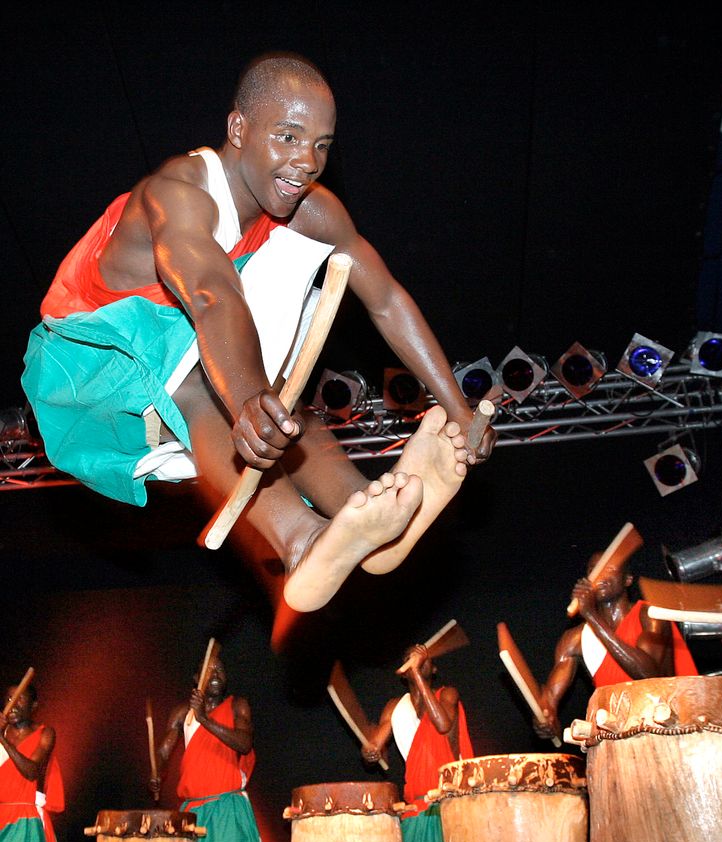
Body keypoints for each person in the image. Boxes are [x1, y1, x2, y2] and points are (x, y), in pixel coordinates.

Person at [22, 52, 493, 615]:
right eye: (289, 137)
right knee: (215, 377)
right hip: (88, 369)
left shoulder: (308, 209)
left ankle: (360, 515)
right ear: (238, 128)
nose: (306, 162)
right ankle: (299, 537)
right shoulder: (177, 194)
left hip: (188, 349)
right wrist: (246, 399)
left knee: (287, 405)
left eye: (321, 145)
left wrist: (457, 408)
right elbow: (210, 295)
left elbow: (386, 299)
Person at [535, 553, 698, 741]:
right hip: (612, 739)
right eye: (594, 570)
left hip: (664, 732)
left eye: (610, 569)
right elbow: (549, 699)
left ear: (627, 579)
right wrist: (546, 718)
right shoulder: (575, 638)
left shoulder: (651, 616)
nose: (601, 576)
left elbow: (649, 675)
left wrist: (592, 616)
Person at [151, 657, 270, 842]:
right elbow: (163, 752)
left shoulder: (238, 705)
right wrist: (157, 775)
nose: (216, 674)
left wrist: (203, 718)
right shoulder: (182, 712)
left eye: (221, 669)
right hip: (194, 813)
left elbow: (244, 743)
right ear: (197, 680)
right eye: (209, 670)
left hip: (228, 809)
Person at [362, 645, 473, 842]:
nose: (415, 661)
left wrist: (418, 675)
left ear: (432, 668)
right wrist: (370, 751)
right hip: (415, 810)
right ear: (401, 673)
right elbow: (375, 749)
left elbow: (442, 723)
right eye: (410, 659)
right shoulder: (394, 707)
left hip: (447, 807)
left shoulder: (448, 694)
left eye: (423, 658)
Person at [0, 682, 64, 842]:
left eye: (19, 698)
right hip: (1, 819)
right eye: (9, 700)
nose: (13, 705)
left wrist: (2, 739)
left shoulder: (45, 733)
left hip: (25, 823)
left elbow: (31, 771)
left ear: (34, 705)